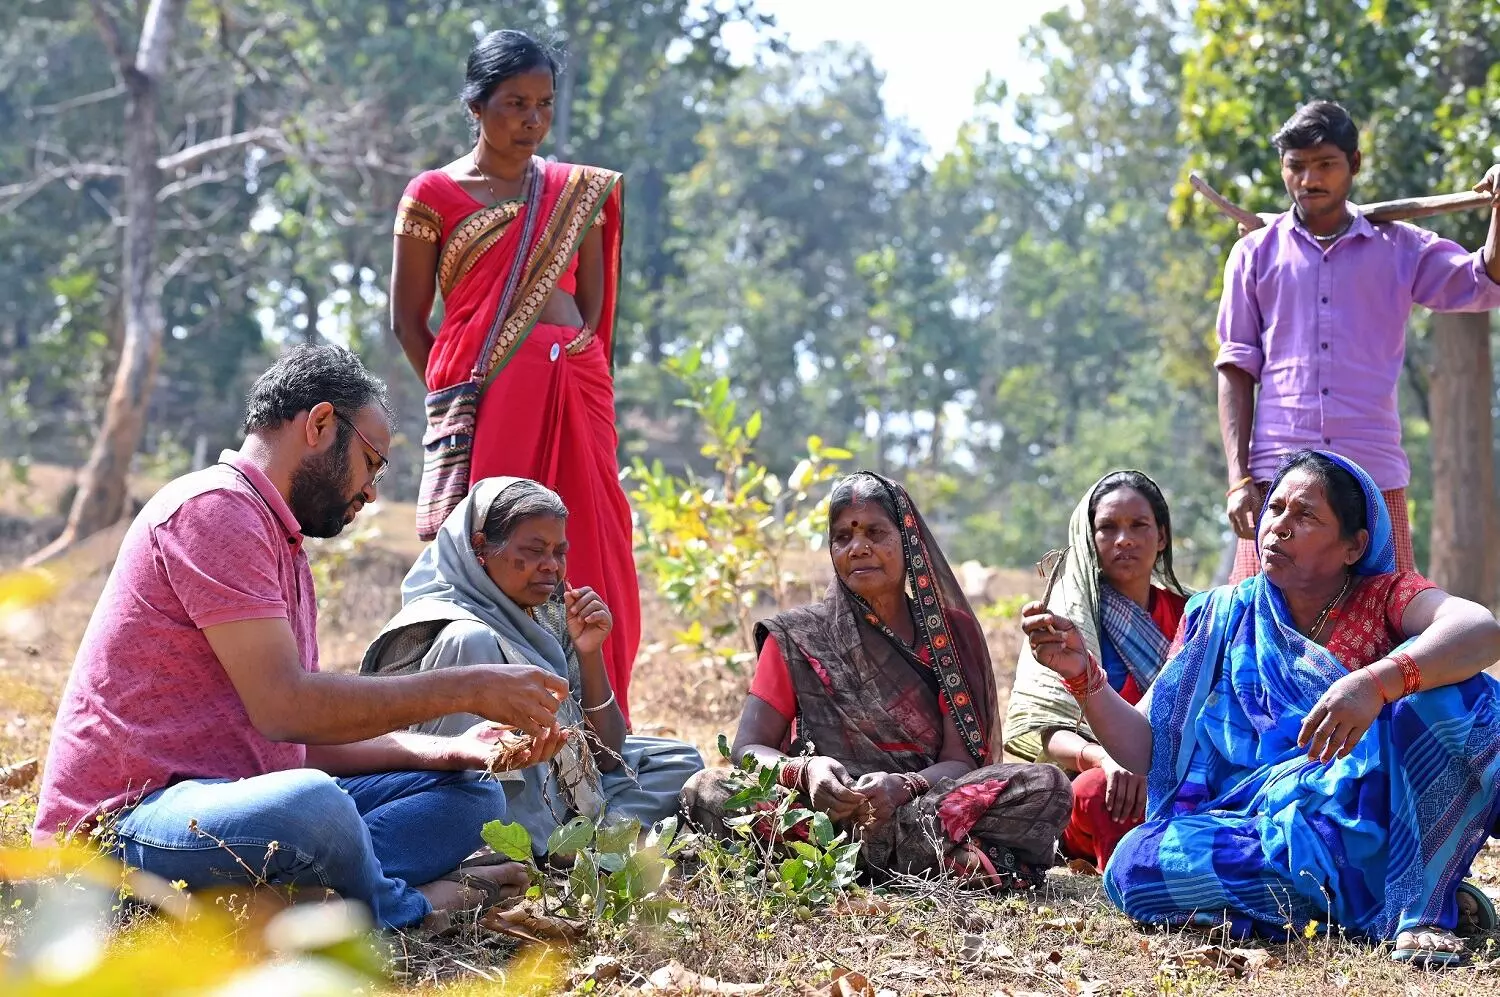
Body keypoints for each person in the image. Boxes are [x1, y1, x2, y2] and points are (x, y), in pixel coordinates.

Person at [35, 345, 575, 932]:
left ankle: (289, 904)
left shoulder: (279, 540)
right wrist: (466, 687)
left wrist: (451, 750)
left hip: (239, 805)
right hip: (125, 824)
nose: (371, 492)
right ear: (319, 425)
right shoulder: (216, 510)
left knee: (473, 797)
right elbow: (287, 708)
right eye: (372, 463)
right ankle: (409, 908)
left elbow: (294, 743)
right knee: (311, 804)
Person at [1022, 449, 1500, 968]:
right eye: (1274, 510)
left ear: (1354, 545)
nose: (1279, 528)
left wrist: (1376, 683)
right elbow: (1147, 751)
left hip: (1377, 818)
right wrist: (1083, 677)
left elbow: (1478, 629)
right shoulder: (1222, 613)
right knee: (1134, 867)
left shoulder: (1385, 596)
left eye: (1306, 516)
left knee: (1455, 698)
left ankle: (1421, 906)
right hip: (1267, 826)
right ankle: (1373, 900)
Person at [389, 29, 640, 723]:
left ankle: (599, 726)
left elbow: (593, 313)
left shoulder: (574, 192)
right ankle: (493, 723)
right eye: (514, 104)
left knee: (591, 546)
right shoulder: (432, 194)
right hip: (491, 399)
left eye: (544, 105)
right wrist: (463, 393)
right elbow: (410, 321)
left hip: (575, 389)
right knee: (496, 552)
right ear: (476, 105)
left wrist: (572, 357)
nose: (532, 120)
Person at [682, 472, 1071, 885]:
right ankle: (936, 861)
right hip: (820, 816)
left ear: (907, 541)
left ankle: (851, 862)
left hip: (917, 806)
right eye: (842, 537)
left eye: (874, 532)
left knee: (1047, 785)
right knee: (704, 788)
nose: (858, 547)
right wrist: (805, 771)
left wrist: (903, 786)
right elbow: (748, 746)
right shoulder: (797, 636)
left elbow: (961, 762)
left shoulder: (948, 634)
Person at [1216, 100, 1500, 582]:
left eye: (1325, 164)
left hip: (1372, 477)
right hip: (1275, 481)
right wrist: (1238, 480)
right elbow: (1236, 366)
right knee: (1259, 635)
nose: (1310, 180)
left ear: (1355, 164)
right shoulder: (1254, 253)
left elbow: (1484, 282)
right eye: (1296, 166)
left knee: (1387, 626)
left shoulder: (1403, 248)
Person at [362, 476, 702, 854]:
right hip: (474, 792)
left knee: (679, 761)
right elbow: (398, 748)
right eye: (535, 550)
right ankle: (526, 847)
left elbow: (607, 754)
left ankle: (578, 844)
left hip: (559, 778)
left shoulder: (550, 615)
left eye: (560, 552)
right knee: (472, 644)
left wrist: (590, 652)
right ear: (479, 547)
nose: (551, 567)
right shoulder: (439, 623)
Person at [1004, 471, 1188, 869]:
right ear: (1090, 538)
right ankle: (1129, 873)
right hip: (1104, 776)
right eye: (1108, 528)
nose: (1124, 540)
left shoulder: (1195, 615)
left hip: (1180, 767)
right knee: (1094, 792)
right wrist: (1106, 758)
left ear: (1162, 537)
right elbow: (1047, 731)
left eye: (1139, 525)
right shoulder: (1066, 622)